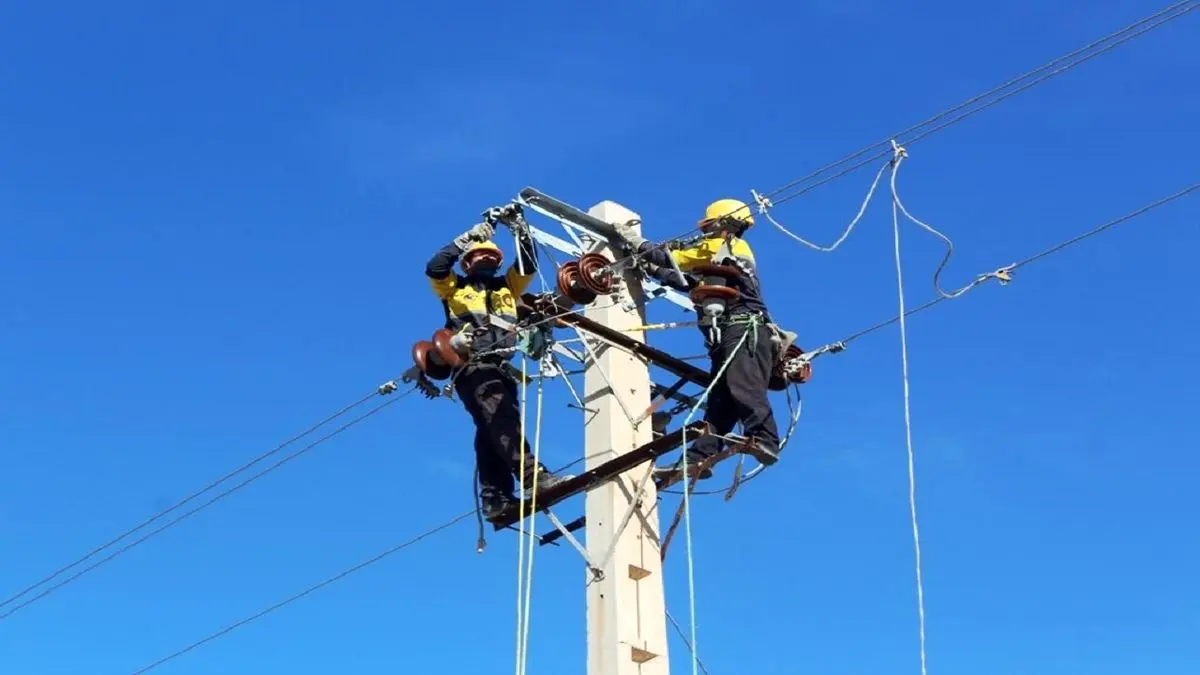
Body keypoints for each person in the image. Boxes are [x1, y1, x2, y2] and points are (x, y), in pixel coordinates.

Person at [613, 199, 792, 481]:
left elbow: (673, 258)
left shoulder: (726, 246)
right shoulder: (718, 264)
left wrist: (636, 243)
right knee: (721, 404)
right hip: (726, 337)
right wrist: (652, 270)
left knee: (743, 387)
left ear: (723, 224)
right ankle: (698, 459)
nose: (705, 232)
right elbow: (687, 282)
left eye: (709, 226)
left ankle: (765, 438)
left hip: (744, 329)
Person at [426, 221, 569, 518]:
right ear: (467, 261)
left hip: (501, 368)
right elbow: (436, 267)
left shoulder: (508, 286)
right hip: (474, 366)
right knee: (503, 422)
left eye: (492, 257)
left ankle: (495, 497)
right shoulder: (455, 287)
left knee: (490, 431)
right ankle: (534, 477)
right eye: (480, 255)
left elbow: (527, 266)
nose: (487, 259)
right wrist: (463, 239)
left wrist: (521, 230)